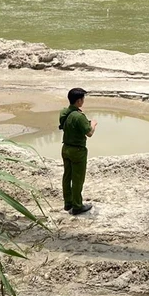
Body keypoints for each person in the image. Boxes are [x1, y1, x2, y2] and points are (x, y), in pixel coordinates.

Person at [59, 87, 97, 215]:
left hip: (65, 148)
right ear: (79, 101)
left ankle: (67, 203)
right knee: (77, 179)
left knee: (67, 176)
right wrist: (93, 124)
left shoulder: (64, 113)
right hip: (77, 151)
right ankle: (77, 206)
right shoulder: (79, 116)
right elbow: (89, 133)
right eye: (83, 99)